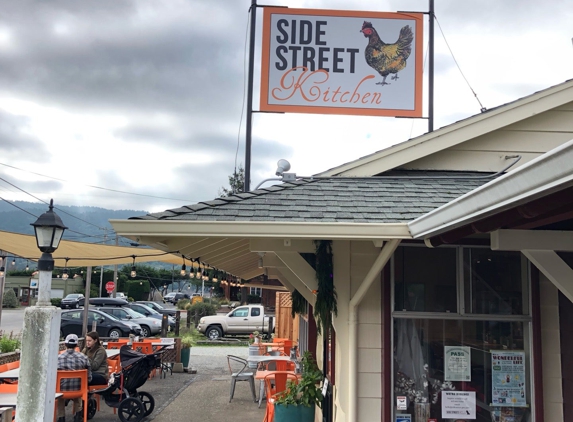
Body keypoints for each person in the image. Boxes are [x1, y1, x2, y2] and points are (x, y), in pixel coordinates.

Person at [57, 333, 92, 422]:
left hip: (61, 391)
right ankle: (78, 415)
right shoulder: (84, 357)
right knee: (79, 389)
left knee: (58, 393)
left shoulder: (58, 359)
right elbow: (89, 377)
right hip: (78, 391)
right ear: (76, 345)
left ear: (65, 344)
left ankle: (61, 417)